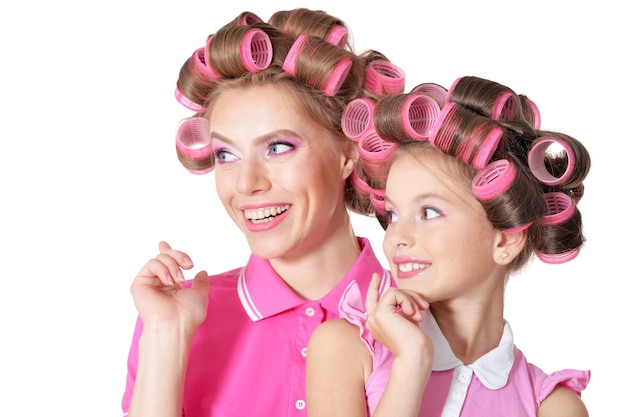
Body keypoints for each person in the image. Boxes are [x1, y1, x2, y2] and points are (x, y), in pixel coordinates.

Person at [120, 7, 409, 417]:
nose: (246, 183)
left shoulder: (419, 319)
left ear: (347, 151)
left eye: (277, 148)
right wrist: (167, 335)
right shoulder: (177, 319)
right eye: (227, 154)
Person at [306, 75, 591, 416]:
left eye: (429, 212)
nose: (396, 237)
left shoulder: (552, 407)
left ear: (506, 239)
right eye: (394, 214)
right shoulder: (346, 350)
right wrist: (411, 362)